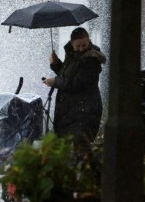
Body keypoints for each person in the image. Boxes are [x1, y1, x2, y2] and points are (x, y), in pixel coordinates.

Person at [42, 27, 107, 160]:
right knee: (64, 153)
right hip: (71, 112)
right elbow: (67, 76)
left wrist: (55, 82)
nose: (82, 48)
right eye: (78, 45)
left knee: (81, 153)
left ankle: (84, 178)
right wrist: (56, 63)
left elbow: (77, 83)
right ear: (72, 43)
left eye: (84, 44)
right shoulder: (73, 56)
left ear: (89, 41)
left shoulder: (91, 59)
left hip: (84, 113)